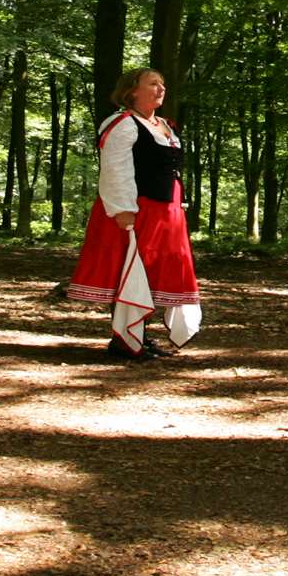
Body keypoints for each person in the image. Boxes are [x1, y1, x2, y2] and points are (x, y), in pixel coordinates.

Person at [68, 67, 201, 359]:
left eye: (163, 84)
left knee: (153, 273)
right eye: (153, 83)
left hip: (167, 212)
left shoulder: (166, 126)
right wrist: (123, 210)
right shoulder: (122, 123)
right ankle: (124, 340)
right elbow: (115, 170)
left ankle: (140, 335)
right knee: (130, 272)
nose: (161, 88)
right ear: (132, 91)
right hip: (136, 209)